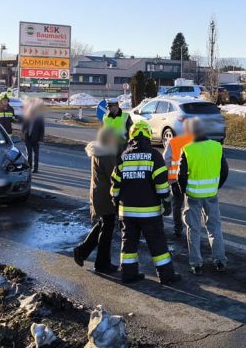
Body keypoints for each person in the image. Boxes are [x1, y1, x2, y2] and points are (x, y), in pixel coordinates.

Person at [110, 121, 180, 285]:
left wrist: (115, 202)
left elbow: (115, 186)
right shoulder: (154, 155)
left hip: (126, 212)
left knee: (128, 244)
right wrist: (167, 202)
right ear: (148, 134)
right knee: (157, 244)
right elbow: (162, 186)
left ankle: (128, 274)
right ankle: (166, 276)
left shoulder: (123, 156)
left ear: (131, 135)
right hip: (149, 212)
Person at [179, 118, 229, 275]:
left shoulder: (187, 149)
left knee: (193, 228)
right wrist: (215, 186)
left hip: (193, 195)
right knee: (215, 227)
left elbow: (181, 175)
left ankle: (196, 263)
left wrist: (183, 190)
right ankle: (220, 260)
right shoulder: (217, 147)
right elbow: (224, 171)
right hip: (211, 194)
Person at [72, 127, 120, 275]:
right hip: (107, 195)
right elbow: (115, 177)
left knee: (104, 224)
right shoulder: (108, 154)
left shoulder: (98, 151)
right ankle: (101, 263)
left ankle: (82, 250)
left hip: (99, 193)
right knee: (107, 229)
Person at [163, 123, 194, 239]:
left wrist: (164, 178)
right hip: (192, 179)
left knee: (177, 205)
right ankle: (192, 229)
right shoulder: (195, 142)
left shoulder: (173, 142)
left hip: (175, 180)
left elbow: (166, 161)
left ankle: (178, 229)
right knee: (191, 205)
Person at [22, 104, 45, 172]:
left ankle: (35, 168)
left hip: (36, 139)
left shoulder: (40, 118)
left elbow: (42, 130)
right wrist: (25, 132)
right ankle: (29, 167)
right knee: (29, 154)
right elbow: (23, 128)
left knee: (36, 155)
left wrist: (40, 139)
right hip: (28, 139)